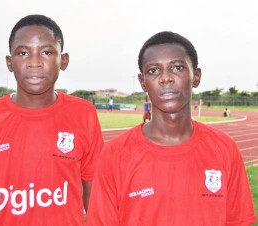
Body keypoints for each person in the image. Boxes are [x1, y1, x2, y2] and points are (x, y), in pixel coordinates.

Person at [86, 31, 256, 225]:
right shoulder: (114, 155)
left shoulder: (225, 149)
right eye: (153, 70)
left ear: (196, 76)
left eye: (177, 67)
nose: (165, 78)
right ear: (143, 82)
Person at [0, 14, 104, 226]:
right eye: (23, 52)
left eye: (46, 52)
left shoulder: (83, 113)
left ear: (63, 61)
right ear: (9, 62)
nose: (34, 62)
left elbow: (94, 197)